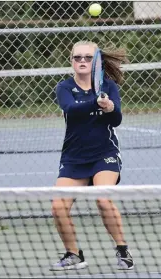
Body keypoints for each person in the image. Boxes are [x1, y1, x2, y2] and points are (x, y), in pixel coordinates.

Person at [50, 41, 134, 271]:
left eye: (88, 57)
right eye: (78, 57)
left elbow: (116, 119)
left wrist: (109, 107)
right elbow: (71, 109)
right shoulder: (64, 87)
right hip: (74, 158)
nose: (82, 61)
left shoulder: (109, 87)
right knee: (58, 206)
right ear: (72, 61)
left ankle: (123, 250)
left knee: (102, 198)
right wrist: (93, 102)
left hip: (104, 155)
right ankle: (74, 254)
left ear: (96, 61)